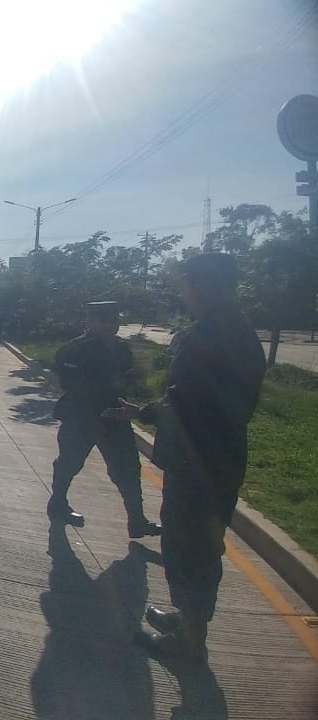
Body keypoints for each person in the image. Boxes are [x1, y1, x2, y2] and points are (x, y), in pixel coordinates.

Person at [105, 253, 266, 664]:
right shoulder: (237, 331)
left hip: (198, 463)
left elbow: (186, 403)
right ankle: (188, 620)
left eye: (186, 282)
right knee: (197, 545)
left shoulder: (210, 335)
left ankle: (190, 641)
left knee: (189, 548)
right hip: (218, 456)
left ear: (205, 285)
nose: (183, 291)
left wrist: (145, 412)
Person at [48, 301, 161, 538]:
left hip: (115, 416)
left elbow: (129, 375)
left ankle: (137, 521)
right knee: (69, 463)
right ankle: (58, 503)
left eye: (114, 321)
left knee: (128, 468)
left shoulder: (121, 348)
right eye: (104, 320)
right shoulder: (77, 349)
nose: (111, 326)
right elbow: (67, 382)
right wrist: (104, 384)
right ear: (91, 321)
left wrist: (125, 383)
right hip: (81, 417)